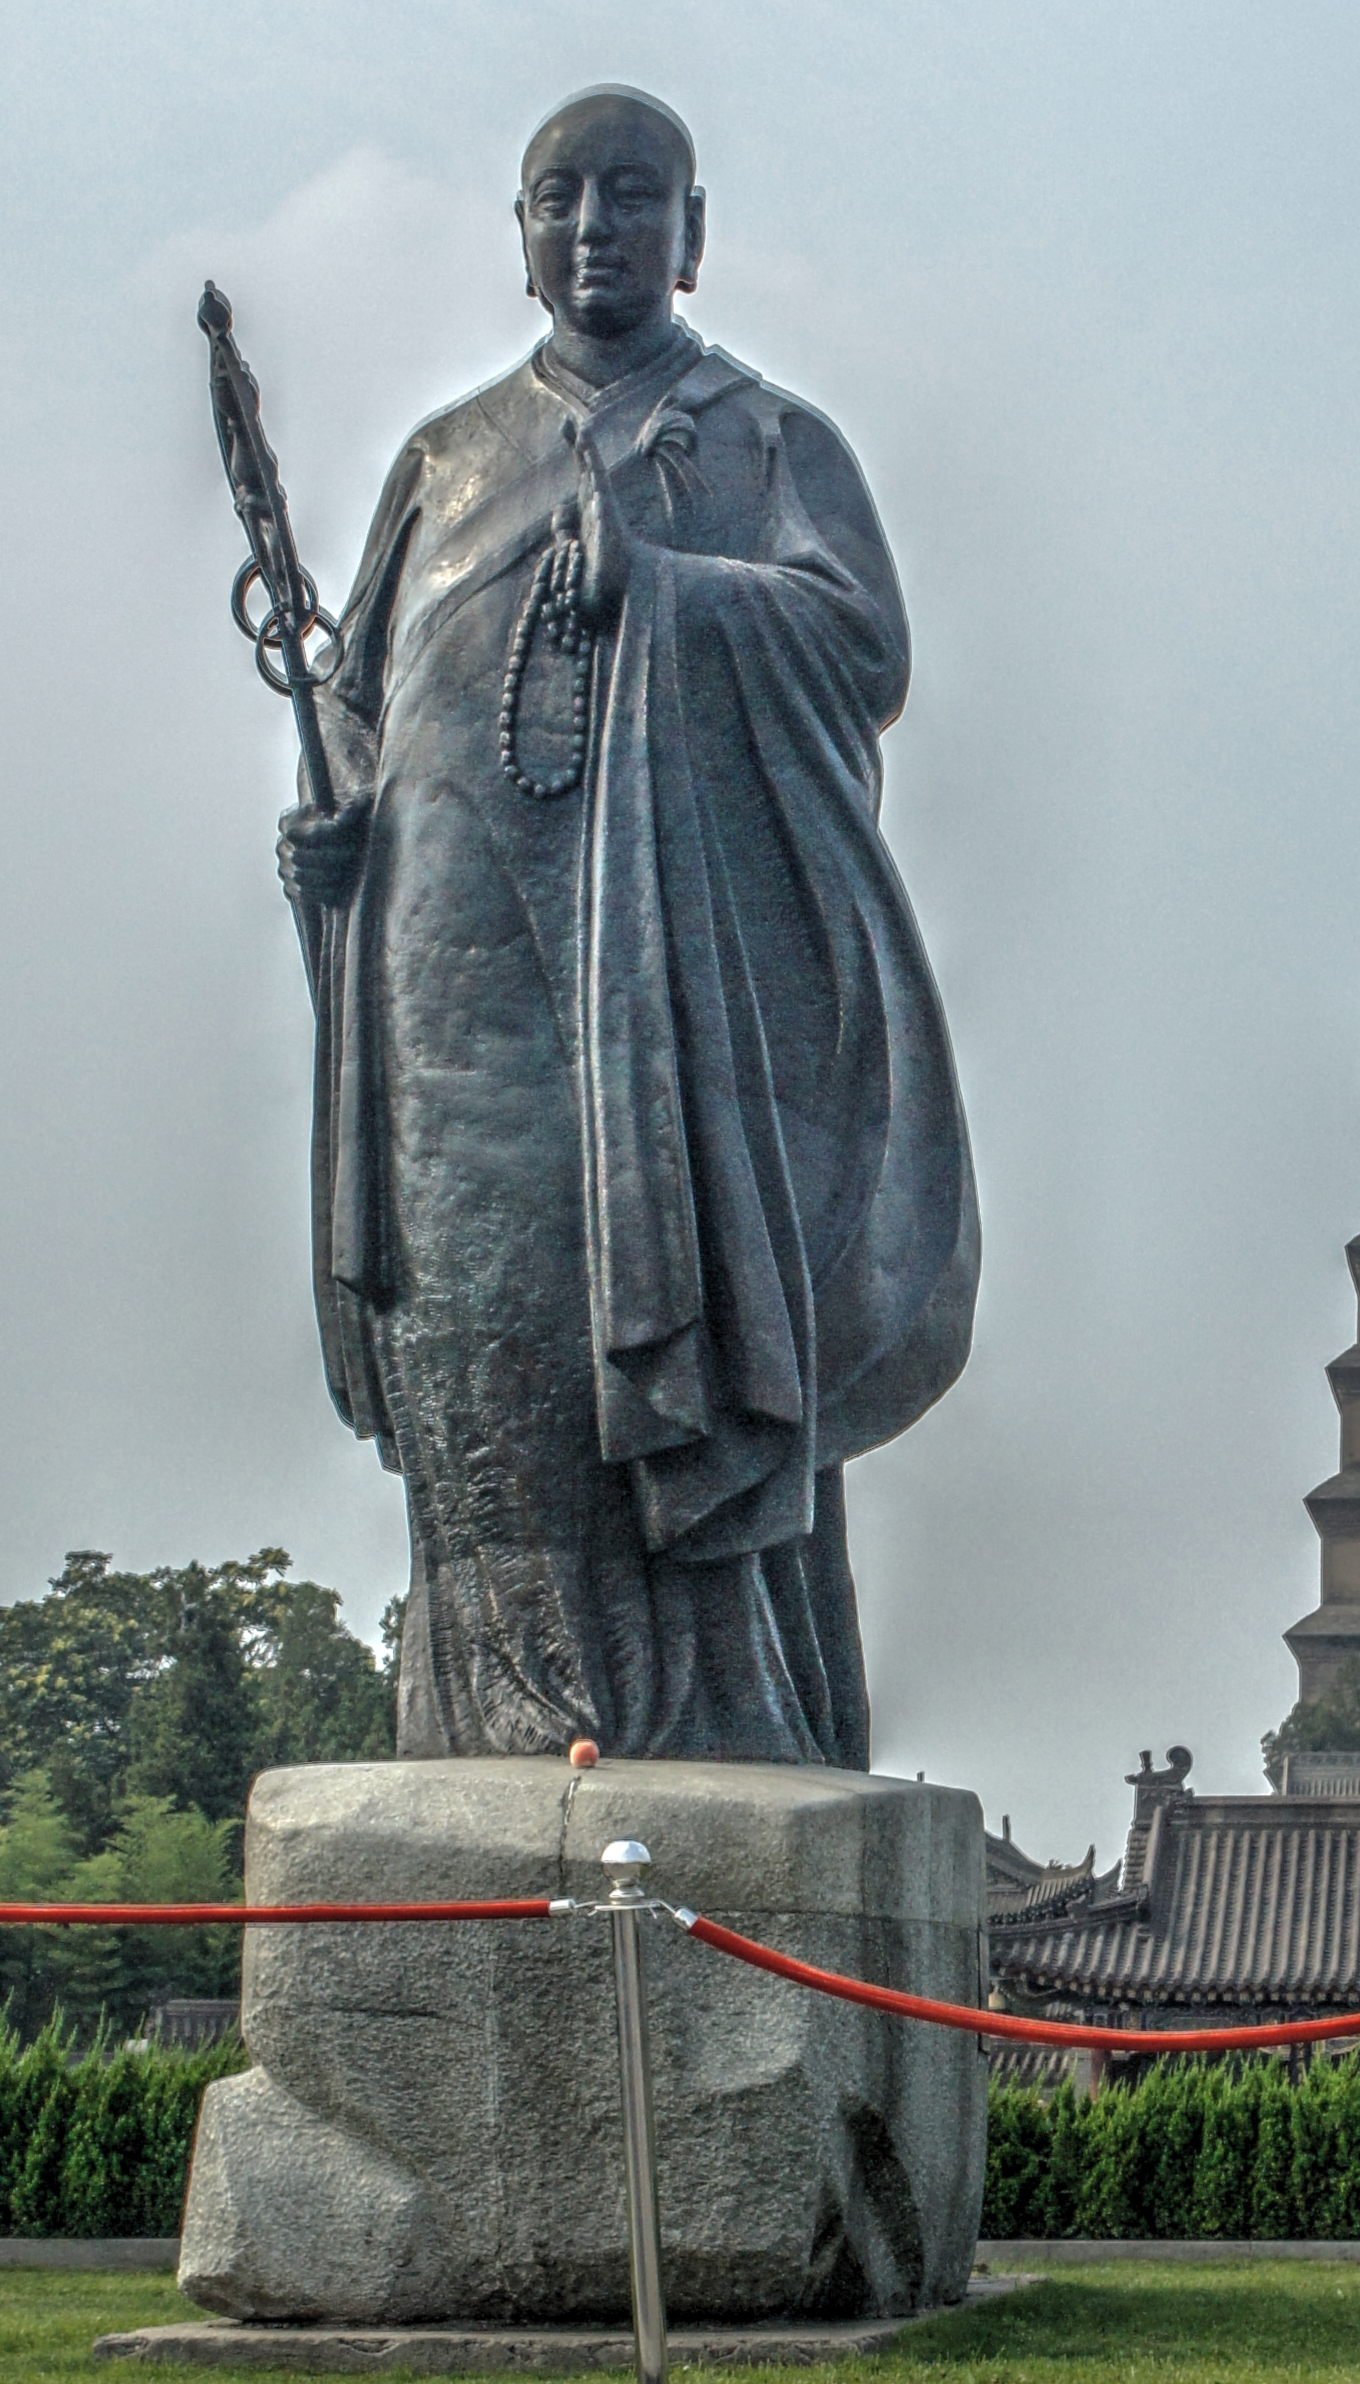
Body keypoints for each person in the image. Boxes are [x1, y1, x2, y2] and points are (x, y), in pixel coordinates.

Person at [277, 86, 978, 1767]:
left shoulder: (760, 441)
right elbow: (364, 708)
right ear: (521, 239)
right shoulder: (440, 461)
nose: (598, 227)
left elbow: (860, 651)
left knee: (667, 1323)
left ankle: (716, 1718)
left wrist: (659, 591)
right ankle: (486, 1723)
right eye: (562, 198)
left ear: (695, 230)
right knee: (481, 1332)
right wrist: (331, 838)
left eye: (635, 196)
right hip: (448, 999)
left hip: (672, 992)